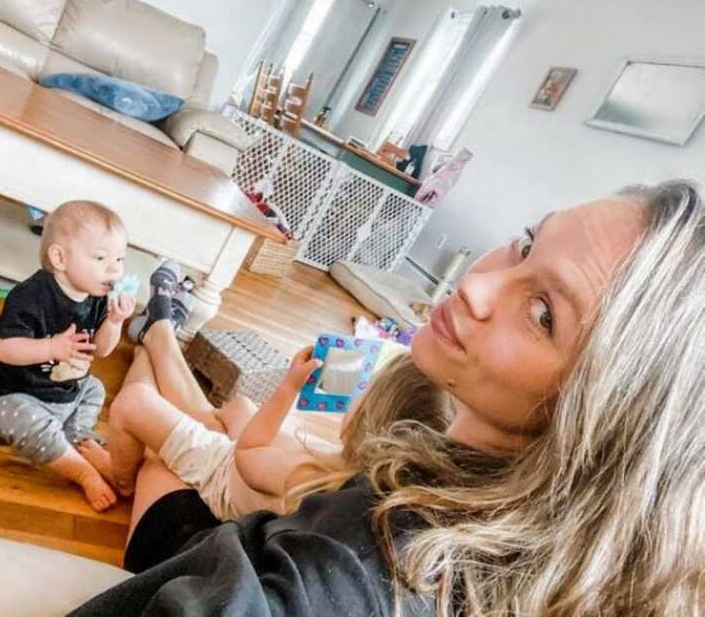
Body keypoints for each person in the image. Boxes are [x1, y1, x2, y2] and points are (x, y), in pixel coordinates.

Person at [70, 180, 705, 616]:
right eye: (528, 243)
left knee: (161, 430)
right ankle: (159, 327)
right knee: (213, 418)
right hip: (238, 527)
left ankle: (157, 327)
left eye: (542, 313)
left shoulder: (360, 565)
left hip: (193, 545)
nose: (479, 287)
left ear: (613, 416)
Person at [77, 337, 447, 522]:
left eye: (366, 392)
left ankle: (120, 476)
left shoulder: (303, 479)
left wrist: (287, 388)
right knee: (240, 406)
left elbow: (248, 451)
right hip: (248, 466)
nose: (358, 391)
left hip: (220, 474)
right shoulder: (357, 474)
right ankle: (155, 342)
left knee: (134, 402)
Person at [0, 200, 137, 512]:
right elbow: (1, 348)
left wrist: (114, 322)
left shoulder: (99, 298)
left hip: (63, 393)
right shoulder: (31, 296)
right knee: (33, 422)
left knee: (95, 388)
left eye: (120, 259)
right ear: (60, 257)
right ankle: (82, 471)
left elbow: (101, 350)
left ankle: (80, 441)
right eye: (100, 258)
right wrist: (50, 348)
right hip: (6, 394)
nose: (114, 270)